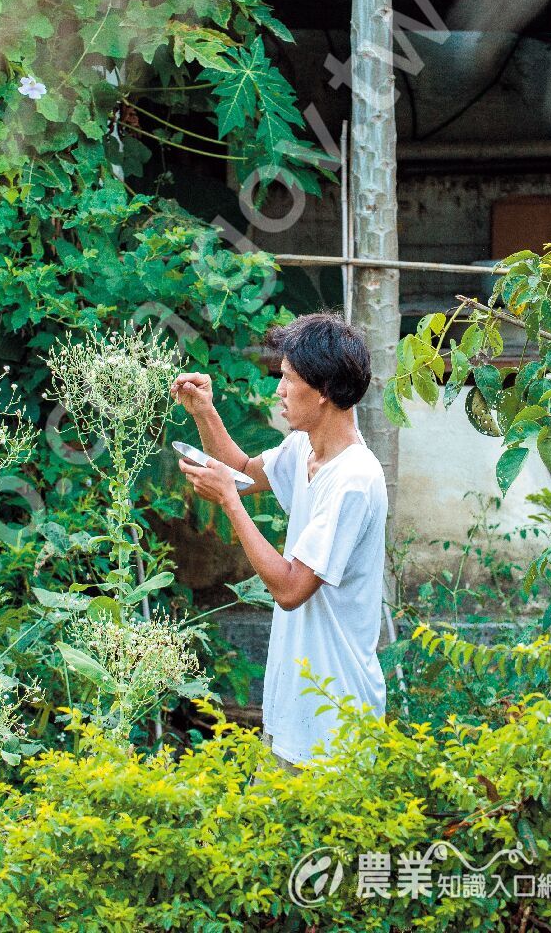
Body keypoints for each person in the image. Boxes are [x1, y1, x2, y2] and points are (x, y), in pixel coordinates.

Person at [171, 311, 387, 774]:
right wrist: (204, 412)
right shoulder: (305, 448)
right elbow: (243, 471)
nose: (279, 391)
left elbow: (291, 590)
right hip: (296, 712)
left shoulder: (353, 479)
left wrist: (230, 503)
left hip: (335, 724)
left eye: (288, 379)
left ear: (325, 389)